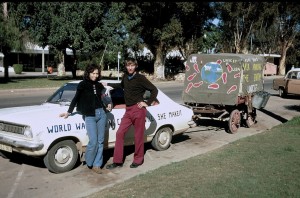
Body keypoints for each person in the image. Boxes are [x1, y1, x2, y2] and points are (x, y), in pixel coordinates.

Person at [104, 57, 158, 169]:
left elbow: (154, 90)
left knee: (138, 136)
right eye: (128, 65)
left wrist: (147, 103)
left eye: (132, 65)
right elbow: (121, 85)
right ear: (126, 66)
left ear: (135, 66)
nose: (130, 67)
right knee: (119, 133)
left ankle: (138, 160)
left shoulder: (140, 78)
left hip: (138, 110)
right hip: (128, 110)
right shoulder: (125, 77)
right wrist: (107, 83)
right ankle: (117, 161)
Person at [59, 64, 112, 174]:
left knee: (101, 141)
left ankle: (97, 165)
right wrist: (69, 112)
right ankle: (89, 161)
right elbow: (75, 98)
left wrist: (109, 103)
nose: (95, 76)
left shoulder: (99, 85)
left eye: (97, 73)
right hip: (90, 115)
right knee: (93, 141)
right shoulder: (82, 84)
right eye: (93, 73)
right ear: (88, 73)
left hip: (101, 113)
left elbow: (104, 96)